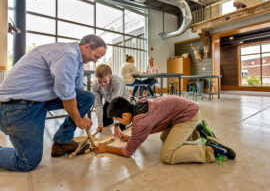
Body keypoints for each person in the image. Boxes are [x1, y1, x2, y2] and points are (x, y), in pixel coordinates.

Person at [0, 34, 106, 172]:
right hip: (16, 107)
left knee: (87, 97)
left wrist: (79, 112)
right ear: (86, 47)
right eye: (96, 56)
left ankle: (62, 142)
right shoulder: (67, 54)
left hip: (37, 102)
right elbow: (67, 94)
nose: (95, 61)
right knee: (27, 161)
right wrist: (78, 119)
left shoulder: (78, 60)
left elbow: (77, 91)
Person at [94, 96, 236, 165]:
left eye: (118, 120)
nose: (119, 123)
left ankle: (210, 151)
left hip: (188, 116)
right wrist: (132, 138)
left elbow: (127, 152)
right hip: (187, 111)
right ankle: (198, 132)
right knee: (164, 139)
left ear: (125, 115)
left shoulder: (140, 122)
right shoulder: (139, 104)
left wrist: (106, 148)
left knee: (168, 156)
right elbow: (140, 135)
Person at [92, 64, 130, 135]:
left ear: (110, 76)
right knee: (104, 123)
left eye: (105, 81)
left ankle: (131, 115)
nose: (102, 84)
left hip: (122, 102)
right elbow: (98, 105)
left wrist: (116, 125)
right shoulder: (95, 85)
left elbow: (116, 104)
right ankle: (111, 118)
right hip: (110, 101)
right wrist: (100, 123)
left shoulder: (117, 82)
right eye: (100, 82)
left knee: (122, 127)